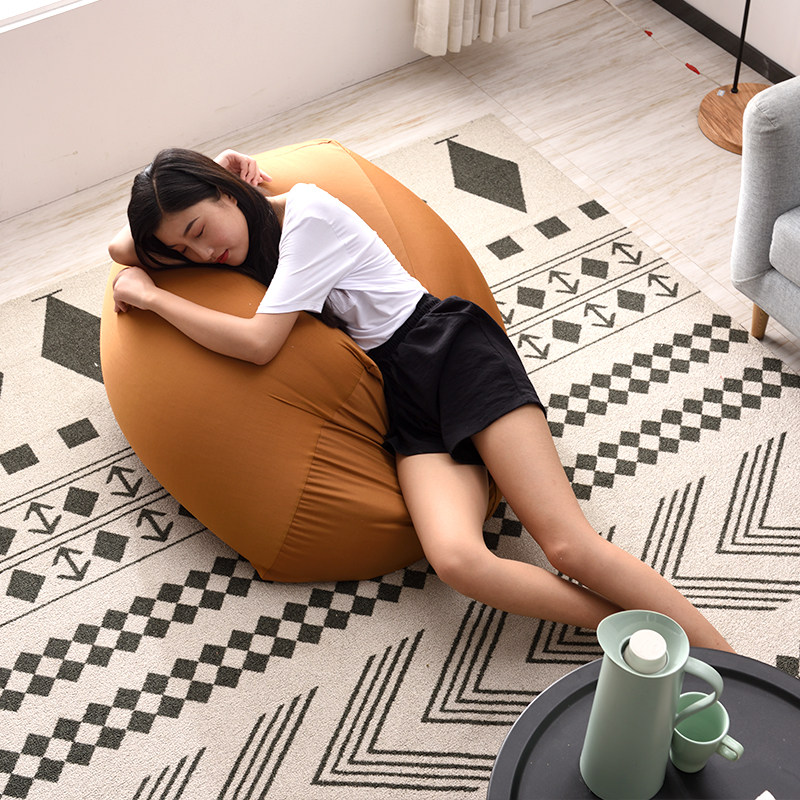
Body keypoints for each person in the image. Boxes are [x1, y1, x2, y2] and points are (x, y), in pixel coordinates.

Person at [110, 147, 734, 653]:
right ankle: (637, 631)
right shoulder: (240, 232)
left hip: (450, 350)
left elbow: (257, 344)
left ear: (226, 193)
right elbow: (122, 248)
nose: (202, 255)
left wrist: (154, 298)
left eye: (199, 232)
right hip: (399, 388)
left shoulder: (308, 217)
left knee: (567, 545)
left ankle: (729, 662)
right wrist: (213, 176)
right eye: (183, 252)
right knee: (460, 562)